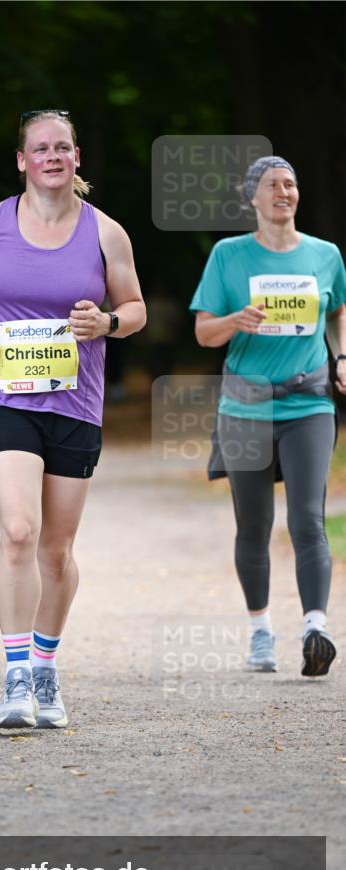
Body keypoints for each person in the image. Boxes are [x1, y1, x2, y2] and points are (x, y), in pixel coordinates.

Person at [0, 109, 145, 728]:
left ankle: (45, 666)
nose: (52, 157)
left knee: (55, 551)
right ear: (22, 161)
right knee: (19, 531)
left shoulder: (106, 233)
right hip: (1, 396)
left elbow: (134, 307)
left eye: (62, 147)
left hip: (75, 404)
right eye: (40, 148)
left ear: (77, 157)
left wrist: (106, 322)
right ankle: (15, 679)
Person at [191, 156, 346, 678]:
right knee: (253, 525)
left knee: (307, 519)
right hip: (246, 407)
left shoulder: (325, 255)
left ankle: (316, 629)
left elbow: (339, 308)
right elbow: (204, 333)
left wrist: (342, 356)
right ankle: (260, 631)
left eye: (291, 183)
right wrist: (235, 320)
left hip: (309, 404)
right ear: (252, 196)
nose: (284, 191)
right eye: (272, 184)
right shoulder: (228, 255)